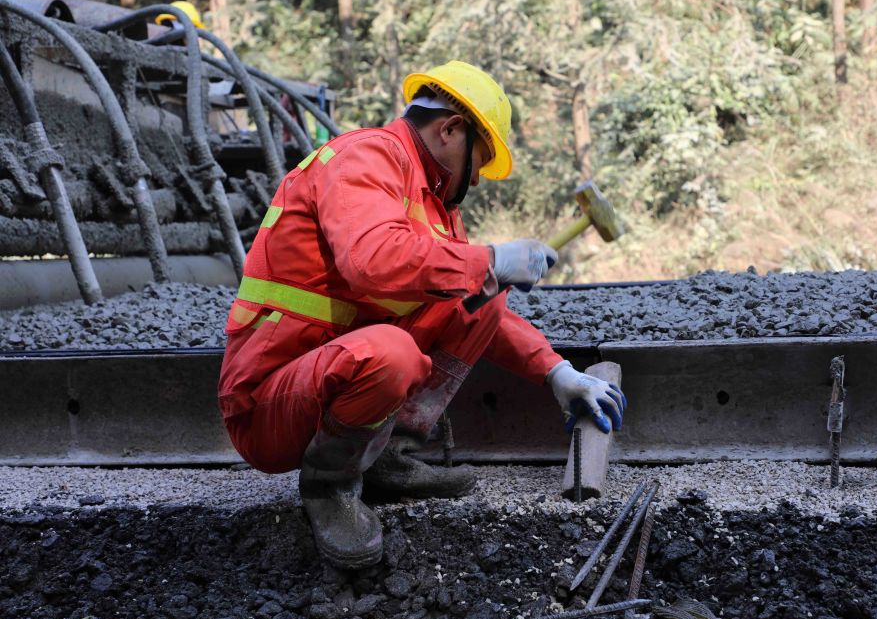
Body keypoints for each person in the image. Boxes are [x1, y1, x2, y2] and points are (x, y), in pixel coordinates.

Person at [217, 61, 626, 569]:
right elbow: (370, 262)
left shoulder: (431, 200)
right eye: (480, 160)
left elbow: (470, 304)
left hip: (333, 369)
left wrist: (556, 371)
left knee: (479, 296)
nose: (477, 178)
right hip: (270, 399)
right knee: (394, 353)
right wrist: (491, 259)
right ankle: (330, 486)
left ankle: (388, 458)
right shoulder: (365, 157)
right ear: (451, 128)